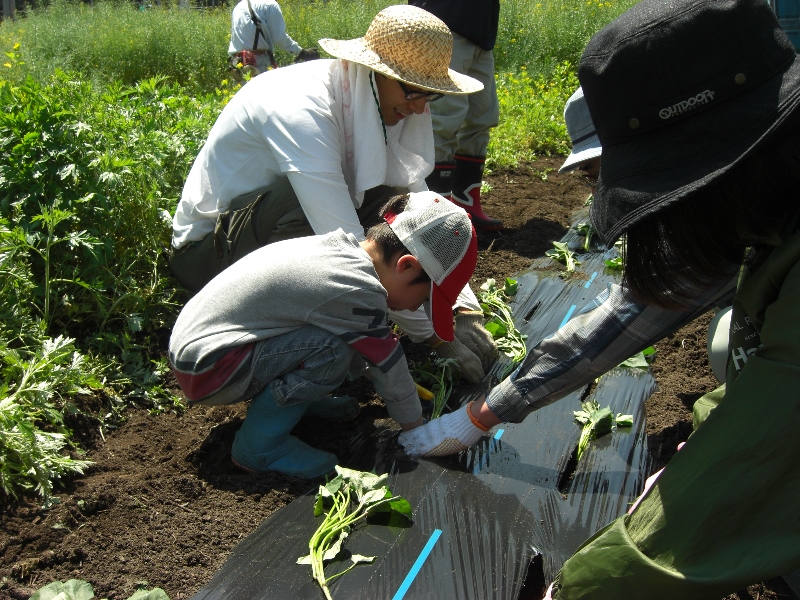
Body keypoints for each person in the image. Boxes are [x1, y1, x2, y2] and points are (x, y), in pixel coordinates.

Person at [411, 0, 800, 596]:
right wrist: (484, 412)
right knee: (733, 350)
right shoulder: (765, 196)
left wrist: (578, 588)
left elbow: (755, 459)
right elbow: (642, 306)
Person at [171, 5, 497, 384]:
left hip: (265, 236)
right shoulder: (300, 109)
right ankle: (306, 340)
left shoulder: (370, 99)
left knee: (396, 198)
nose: (420, 108)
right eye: (413, 92)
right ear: (375, 72)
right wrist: (437, 338)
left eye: (431, 96)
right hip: (209, 255)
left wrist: (462, 309)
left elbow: (426, 216)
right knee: (315, 213)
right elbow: (345, 250)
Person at [169, 192, 479, 479]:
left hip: (201, 349)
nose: (417, 308)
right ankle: (258, 449)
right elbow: (388, 363)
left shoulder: (339, 253)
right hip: (212, 368)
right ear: (407, 265)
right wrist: (417, 429)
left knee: (334, 342)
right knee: (331, 350)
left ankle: (297, 402)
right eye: (425, 298)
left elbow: (365, 349)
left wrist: (367, 372)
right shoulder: (359, 289)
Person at [408, 0, 504, 231]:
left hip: (481, 30)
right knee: (444, 119)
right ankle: (434, 216)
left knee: (481, 118)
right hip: (444, 21)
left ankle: (466, 203)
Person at [227, 0, 317, 78]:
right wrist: (302, 52)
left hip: (237, 64)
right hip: (258, 63)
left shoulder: (238, 7)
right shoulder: (269, 4)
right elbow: (279, 38)